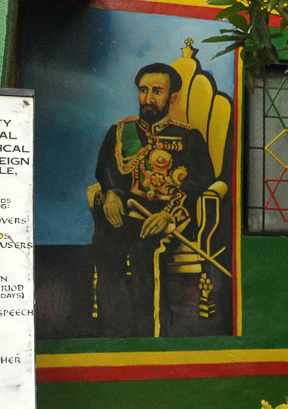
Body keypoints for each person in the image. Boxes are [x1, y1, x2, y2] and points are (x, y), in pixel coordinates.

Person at [89, 62, 216, 336]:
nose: (148, 98)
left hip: (168, 215)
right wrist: (111, 192)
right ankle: (112, 334)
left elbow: (202, 179)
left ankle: (148, 336)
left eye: (156, 91)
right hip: (130, 211)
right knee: (106, 245)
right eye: (143, 90)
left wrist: (170, 214)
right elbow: (105, 166)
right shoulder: (122, 131)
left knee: (144, 253)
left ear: (172, 98)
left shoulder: (188, 137)